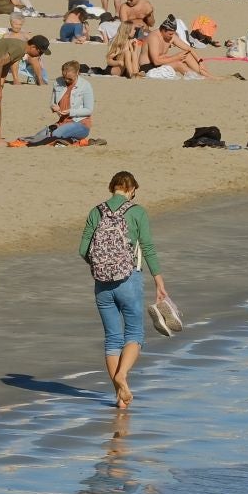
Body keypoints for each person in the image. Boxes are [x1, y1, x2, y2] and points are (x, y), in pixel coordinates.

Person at [78, 171, 170, 409]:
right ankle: (122, 377)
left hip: (101, 284)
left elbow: (82, 249)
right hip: (129, 280)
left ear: (112, 188)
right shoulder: (137, 212)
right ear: (131, 190)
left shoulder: (95, 211)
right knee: (135, 334)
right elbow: (147, 247)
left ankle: (120, 395)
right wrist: (159, 281)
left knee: (112, 339)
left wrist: (101, 266)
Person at [0, 34, 52, 144]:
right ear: (33, 47)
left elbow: (5, 66)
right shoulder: (19, 49)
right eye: (40, 52)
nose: (40, 55)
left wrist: (1, 83)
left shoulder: (21, 49)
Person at [14, 58, 95, 146]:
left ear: (77, 73)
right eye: (64, 78)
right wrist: (54, 107)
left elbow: (88, 110)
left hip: (80, 124)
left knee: (55, 135)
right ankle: (71, 140)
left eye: (70, 79)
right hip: (62, 122)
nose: (66, 80)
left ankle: (78, 141)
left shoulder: (85, 85)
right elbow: (52, 103)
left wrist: (70, 111)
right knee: (38, 136)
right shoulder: (58, 82)